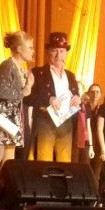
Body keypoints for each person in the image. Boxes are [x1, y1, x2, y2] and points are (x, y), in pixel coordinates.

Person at [0, 31, 35, 209]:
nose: (33, 51)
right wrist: (25, 90)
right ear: (18, 49)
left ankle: (3, 197)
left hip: (10, 119)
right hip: (0, 118)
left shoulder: (20, 68)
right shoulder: (8, 66)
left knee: (8, 161)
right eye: (30, 47)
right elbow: (0, 91)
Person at [25, 32, 80, 163]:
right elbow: (27, 98)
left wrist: (78, 99)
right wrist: (48, 100)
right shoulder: (37, 73)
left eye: (61, 51)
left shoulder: (71, 76)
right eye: (54, 51)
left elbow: (77, 96)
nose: (58, 55)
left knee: (65, 163)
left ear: (66, 53)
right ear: (48, 52)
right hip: (45, 122)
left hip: (66, 123)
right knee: (43, 162)